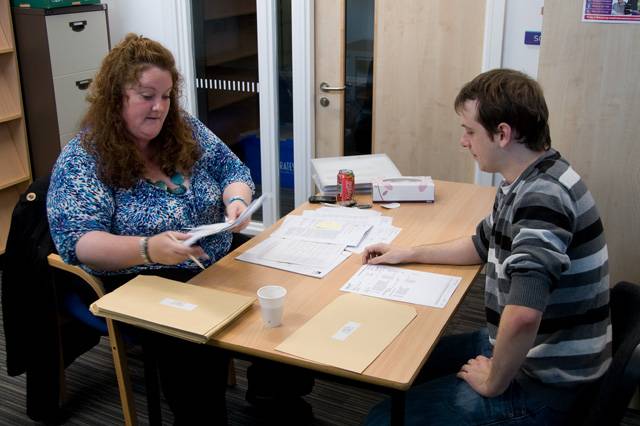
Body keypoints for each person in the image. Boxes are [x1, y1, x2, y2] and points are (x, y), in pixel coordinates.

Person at [362, 69, 611, 425]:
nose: (464, 141)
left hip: (544, 379)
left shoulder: (542, 197)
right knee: (398, 361)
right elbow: (481, 245)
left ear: (503, 134)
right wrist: (410, 252)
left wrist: (494, 381)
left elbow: (524, 315)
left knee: (382, 419)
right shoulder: (528, 176)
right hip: (531, 349)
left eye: (469, 131)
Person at [47, 34, 254, 424]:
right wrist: (147, 249)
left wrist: (237, 201)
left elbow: (234, 171)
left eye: (167, 96)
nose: (159, 107)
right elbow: (81, 242)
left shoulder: (184, 128)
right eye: (146, 96)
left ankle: (274, 399)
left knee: (281, 303)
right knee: (194, 353)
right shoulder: (84, 157)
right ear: (116, 97)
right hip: (142, 276)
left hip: (212, 260)